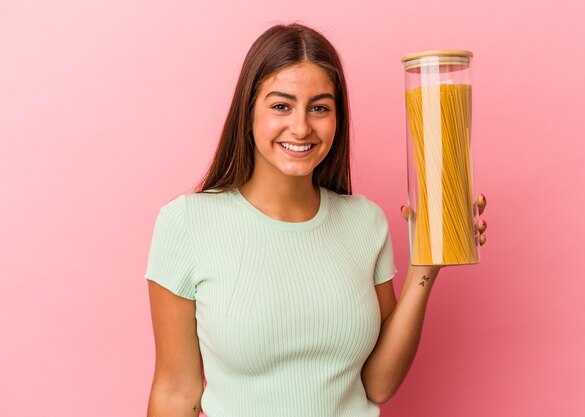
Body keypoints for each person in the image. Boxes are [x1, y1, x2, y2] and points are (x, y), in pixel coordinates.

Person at [144, 22, 488, 417]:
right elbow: (175, 391)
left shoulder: (364, 222)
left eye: (319, 107)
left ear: (337, 118)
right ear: (247, 112)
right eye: (281, 105)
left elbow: (378, 383)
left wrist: (428, 259)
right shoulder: (187, 224)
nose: (302, 126)